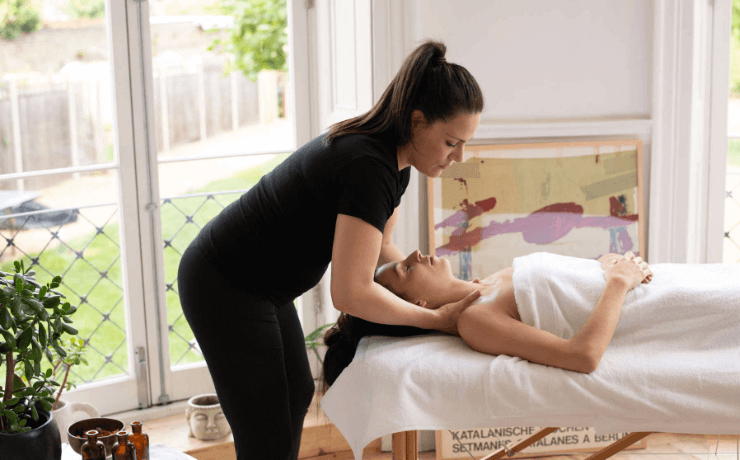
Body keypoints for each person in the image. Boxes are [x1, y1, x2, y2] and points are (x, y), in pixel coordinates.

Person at [177, 40, 484, 460]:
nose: (460, 156)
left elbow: (383, 250)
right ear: (417, 122)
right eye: (452, 142)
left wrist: (460, 290)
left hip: (261, 286)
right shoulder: (367, 167)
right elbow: (351, 293)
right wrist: (435, 319)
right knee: (264, 423)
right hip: (225, 283)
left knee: (296, 393)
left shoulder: (395, 167)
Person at [320, 249, 661, 389]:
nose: (416, 254)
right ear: (417, 303)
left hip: (651, 282)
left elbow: (579, 273)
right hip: (651, 311)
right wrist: (618, 282)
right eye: (407, 269)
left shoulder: (493, 279)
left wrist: (612, 261)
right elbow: (581, 356)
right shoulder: (475, 321)